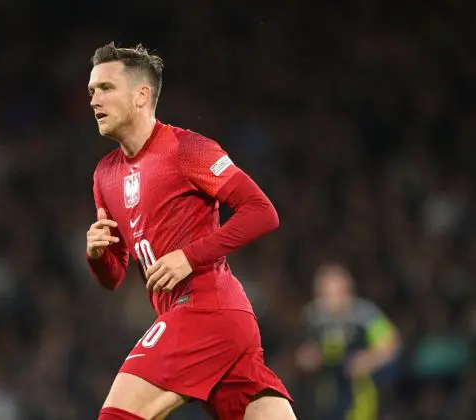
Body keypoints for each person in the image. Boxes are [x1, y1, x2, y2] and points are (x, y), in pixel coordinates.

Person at [85, 42, 296, 420]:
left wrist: (190, 256)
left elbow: (262, 212)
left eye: (106, 88)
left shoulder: (187, 148)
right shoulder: (104, 174)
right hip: (214, 324)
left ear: (141, 95)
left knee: (117, 415)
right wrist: (97, 255)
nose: (94, 99)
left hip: (206, 308)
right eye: (91, 91)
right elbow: (113, 277)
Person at [295, 263, 400, 420]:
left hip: (360, 394)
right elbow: (305, 351)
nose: (323, 301)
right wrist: (308, 358)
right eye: (320, 294)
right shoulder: (314, 317)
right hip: (326, 395)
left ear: (345, 291)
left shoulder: (364, 315)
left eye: (329, 295)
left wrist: (369, 360)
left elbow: (392, 342)